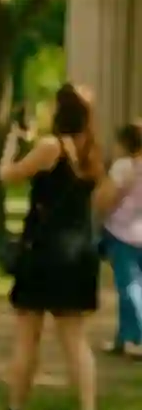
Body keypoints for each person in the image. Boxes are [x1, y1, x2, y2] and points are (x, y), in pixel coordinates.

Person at [0, 82, 104, 410]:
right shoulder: (91, 152)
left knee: (28, 334)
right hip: (79, 252)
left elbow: (8, 175)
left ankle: (15, 409)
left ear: (60, 110)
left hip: (44, 253)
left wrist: (13, 140)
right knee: (75, 339)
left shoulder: (50, 146)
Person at [94, 121, 142, 359]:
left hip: (124, 234)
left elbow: (104, 199)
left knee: (129, 287)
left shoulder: (124, 166)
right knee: (133, 288)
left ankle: (138, 338)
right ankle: (124, 338)